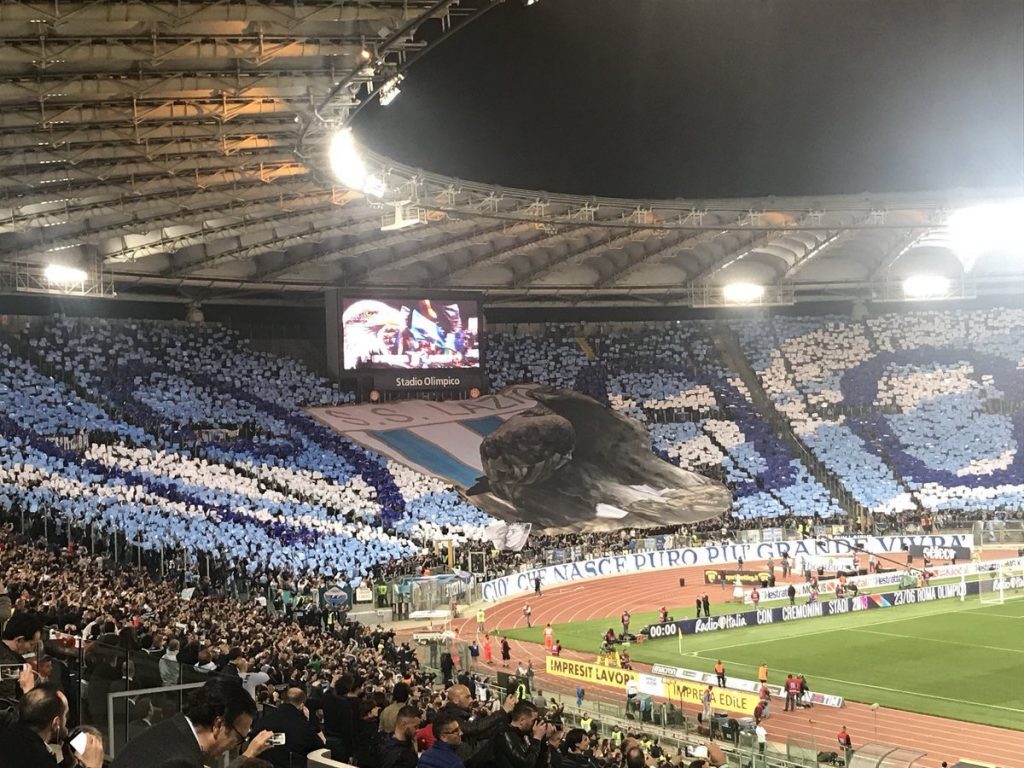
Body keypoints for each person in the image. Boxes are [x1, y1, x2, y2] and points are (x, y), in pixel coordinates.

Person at [112, 677, 272, 768]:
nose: (234, 745)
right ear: (218, 725)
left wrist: (247, 755)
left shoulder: (170, 729)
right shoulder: (180, 762)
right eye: (238, 739)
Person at [0, 683, 102, 768]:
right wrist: (93, 765)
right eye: (65, 715)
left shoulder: (8, 736)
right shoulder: (39, 759)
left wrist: (66, 764)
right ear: (56, 723)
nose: (66, 721)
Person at [436, 684, 514, 764]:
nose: (471, 700)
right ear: (456, 700)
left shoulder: (458, 712)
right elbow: (473, 728)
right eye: (467, 697)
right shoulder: (448, 715)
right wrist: (503, 711)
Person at [253, 686, 324, 768]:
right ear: (301, 706)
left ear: (283, 700)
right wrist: (308, 722)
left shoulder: (263, 720)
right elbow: (320, 748)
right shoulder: (302, 727)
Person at [492, 701, 550, 768]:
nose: (535, 724)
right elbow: (525, 764)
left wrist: (543, 741)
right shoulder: (505, 734)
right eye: (533, 721)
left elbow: (537, 763)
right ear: (522, 720)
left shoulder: (523, 735)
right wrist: (537, 739)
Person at [0, 612, 43, 699]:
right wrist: (28, 689)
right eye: (31, 644)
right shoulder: (10, 664)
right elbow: (9, 704)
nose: (31, 649)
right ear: (19, 640)